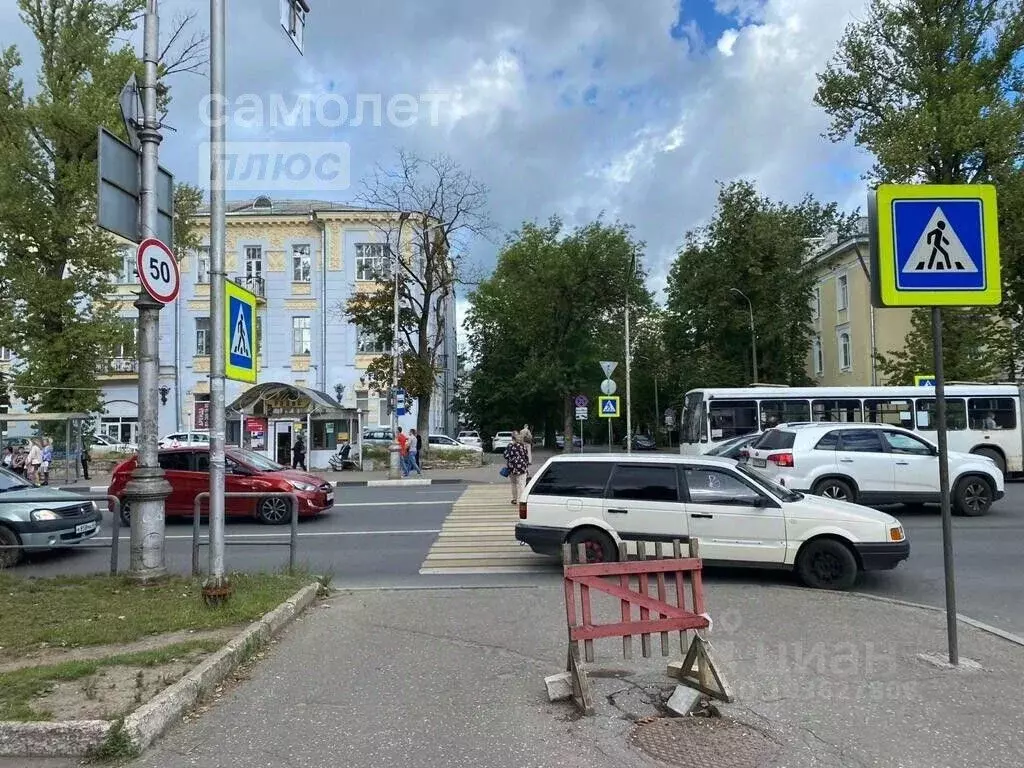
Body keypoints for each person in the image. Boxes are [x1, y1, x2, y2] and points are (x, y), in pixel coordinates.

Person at [504, 430, 530, 505]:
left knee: (513, 484)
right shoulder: (523, 446)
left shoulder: (510, 446)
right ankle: (523, 500)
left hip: (512, 468)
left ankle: (514, 499)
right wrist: (526, 465)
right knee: (522, 484)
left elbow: (505, 456)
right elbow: (526, 456)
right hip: (522, 467)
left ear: (512, 438)